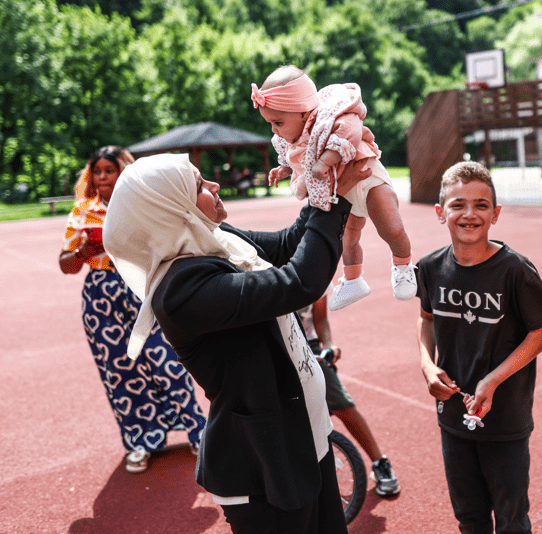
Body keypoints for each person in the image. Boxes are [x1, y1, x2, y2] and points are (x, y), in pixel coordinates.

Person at [104, 153, 369, 534]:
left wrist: (322, 187)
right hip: (264, 467)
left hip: (303, 436)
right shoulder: (181, 290)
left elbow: (286, 245)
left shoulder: (214, 239)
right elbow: (297, 283)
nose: (213, 185)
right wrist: (333, 200)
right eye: (198, 185)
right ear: (170, 208)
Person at [415, 161, 542, 533]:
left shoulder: (515, 270)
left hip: (505, 421)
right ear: (440, 213)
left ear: (496, 214)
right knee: (469, 518)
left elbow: (541, 333)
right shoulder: (430, 268)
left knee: (511, 520)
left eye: (481, 205)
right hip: (452, 417)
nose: (470, 214)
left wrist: (493, 381)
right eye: (457, 204)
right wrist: (426, 365)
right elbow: (426, 319)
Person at [58, 146, 207, 474]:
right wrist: (83, 252)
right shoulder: (83, 210)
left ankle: (198, 430)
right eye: (96, 171)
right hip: (101, 298)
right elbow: (64, 264)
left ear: (122, 171)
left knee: (166, 360)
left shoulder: (140, 201)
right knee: (121, 369)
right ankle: (141, 440)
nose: (101, 177)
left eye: (108, 171)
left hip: (143, 287)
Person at [251, 65, 416, 311]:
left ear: (304, 113)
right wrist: (285, 169)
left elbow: (351, 131)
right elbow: (294, 159)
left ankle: (403, 265)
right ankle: (353, 280)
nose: (274, 130)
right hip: (343, 191)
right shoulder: (289, 138)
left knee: (391, 227)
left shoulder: (331, 115)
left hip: (367, 178)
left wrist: (325, 161)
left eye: (278, 122)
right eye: (270, 124)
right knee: (348, 239)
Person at [298, 292, 400, 496]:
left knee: (342, 403)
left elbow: (319, 317)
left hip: (308, 345)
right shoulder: (265, 266)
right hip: (276, 347)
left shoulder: (316, 269)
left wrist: (327, 343)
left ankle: (379, 462)